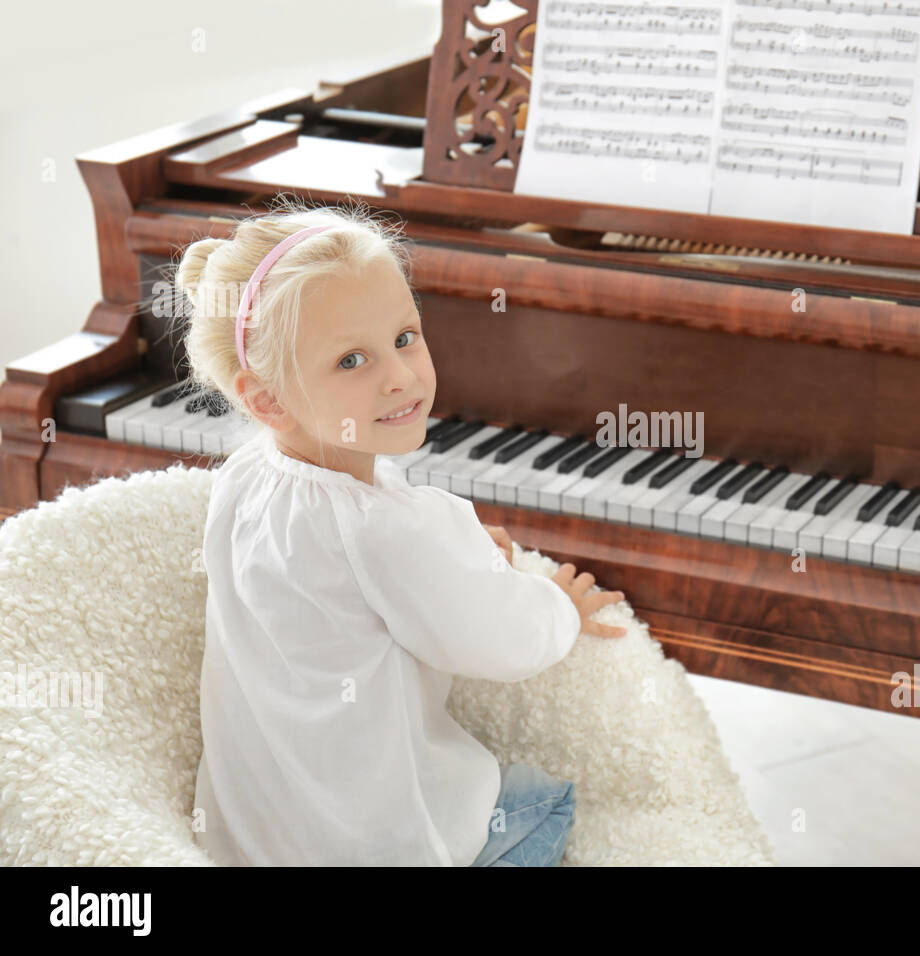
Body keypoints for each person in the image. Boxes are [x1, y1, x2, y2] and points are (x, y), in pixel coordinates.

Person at [175, 195, 626, 866]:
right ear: (266, 399)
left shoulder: (242, 478)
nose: (401, 377)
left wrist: (463, 559)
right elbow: (496, 638)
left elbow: (359, 591)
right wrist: (556, 605)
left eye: (404, 337)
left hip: (251, 836)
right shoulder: (389, 528)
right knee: (547, 798)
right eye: (351, 362)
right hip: (378, 845)